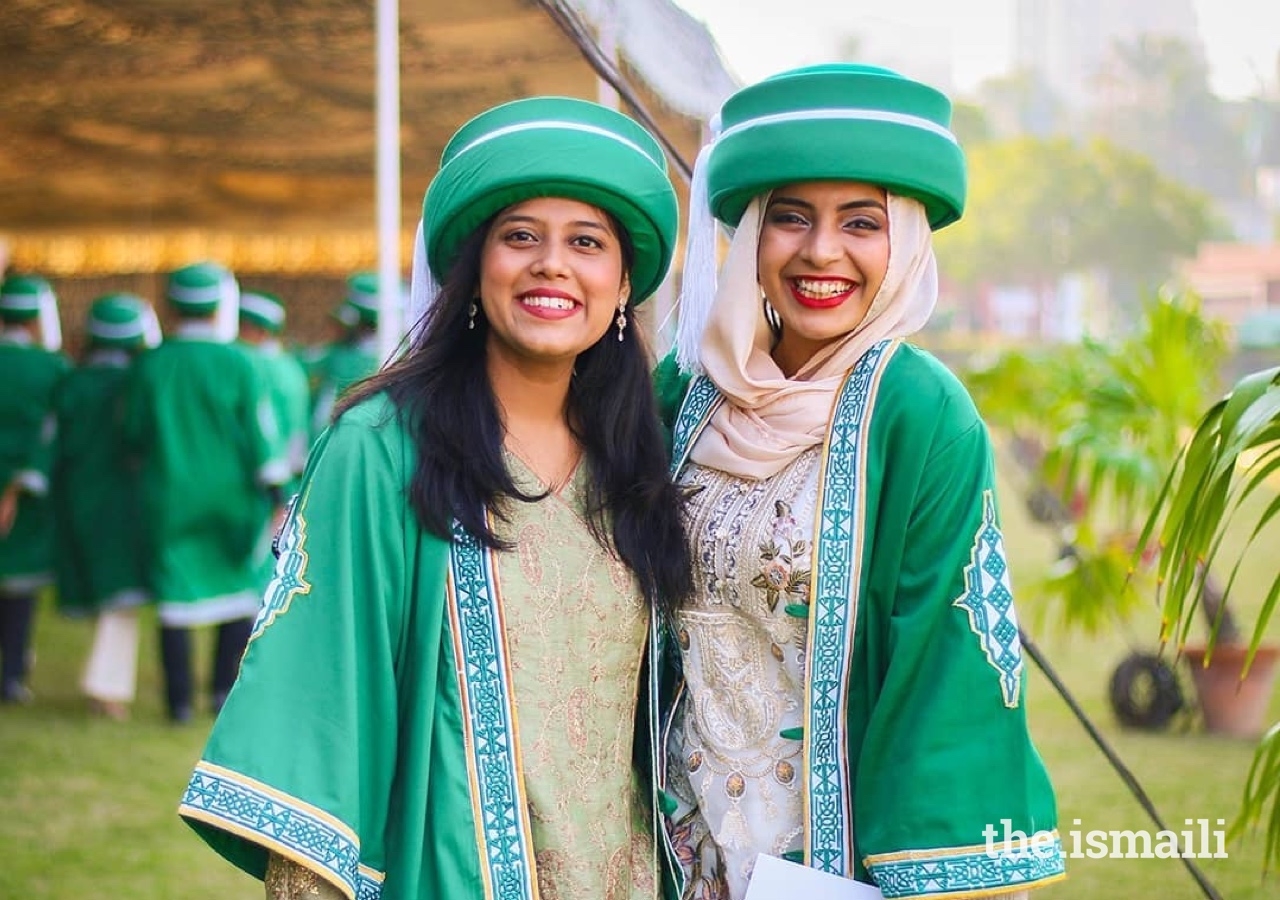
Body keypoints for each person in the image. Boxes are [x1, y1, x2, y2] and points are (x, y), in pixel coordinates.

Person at [179, 96, 694, 900]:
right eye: (520, 236)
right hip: (447, 873)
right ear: (473, 265)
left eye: (586, 243)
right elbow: (323, 701)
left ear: (623, 282)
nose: (552, 264)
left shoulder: (642, 456)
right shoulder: (381, 447)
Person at [652, 64, 1065, 898]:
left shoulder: (919, 416)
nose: (821, 252)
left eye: (860, 223)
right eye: (791, 217)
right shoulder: (680, 396)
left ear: (906, 240)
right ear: (754, 234)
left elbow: (940, 674)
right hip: (672, 850)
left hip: (828, 866)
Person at [124, 261, 288, 723]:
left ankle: (177, 702)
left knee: (175, 596)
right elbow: (262, 435)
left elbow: (133, 433)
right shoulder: (240, 361)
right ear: (221, 304)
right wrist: (277, 496)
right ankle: (220, 692)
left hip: (168, 496)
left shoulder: (152, 364)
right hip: (232, 498)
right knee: (236, 589)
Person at [51, 292, 159, 720]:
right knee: (120, 594)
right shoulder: (136, 382)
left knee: (101, 589)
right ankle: (107, 686)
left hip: (77, 493)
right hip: (122, 498)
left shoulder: (71, 381)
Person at [0, 273, 69, 704]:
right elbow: (52, 432)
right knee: (19, 587)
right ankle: (11, 674)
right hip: (26, 493)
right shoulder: (53, 369)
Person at [237, 289, 312, 496]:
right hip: (288, 476)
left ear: (255, 329)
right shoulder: (288, 365)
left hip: (261, 480)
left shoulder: (254, 365)